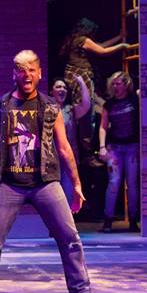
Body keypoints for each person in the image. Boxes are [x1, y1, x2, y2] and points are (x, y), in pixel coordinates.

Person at [0, 50, 95, 293]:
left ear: (39, 73)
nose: (27, 75)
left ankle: (81, 289)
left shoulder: (51, 107)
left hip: (45, 182)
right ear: (14, 74)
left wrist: (77, 184)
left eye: (31, 70)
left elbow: (64, 148)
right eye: (22, 70)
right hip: (10, 183)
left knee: (69, 237)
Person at [98, 71, 140, 233]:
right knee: (114, 182)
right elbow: (103, 126)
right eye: (113, 84)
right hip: (115, 148)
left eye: (118, 83)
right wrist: (102, 146)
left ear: (126, 84)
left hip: (132, 147)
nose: (115, 86)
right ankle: (108, 219)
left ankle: (133, 219)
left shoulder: (134, 100)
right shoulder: (109, 104)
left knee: (132, 184)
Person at [59, 18, 129, 103]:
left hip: (73, 72)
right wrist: (121, 46)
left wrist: (119, 37)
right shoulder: (82, 39)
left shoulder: (75, 39)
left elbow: (100, 46)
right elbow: (102, 51)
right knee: (85, 99)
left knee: (81, 99)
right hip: (80, 71)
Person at [50, 76, 90, 208]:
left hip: (67, 159)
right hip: (50, 161)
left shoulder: (70, 110)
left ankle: (67, 221)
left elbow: (86, 105)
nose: (62, 89)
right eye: (58, 87)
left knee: (67, 195)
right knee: (52, 198)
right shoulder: (46, 110)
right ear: (51, 91)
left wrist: (81, 82)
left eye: (64, 87)